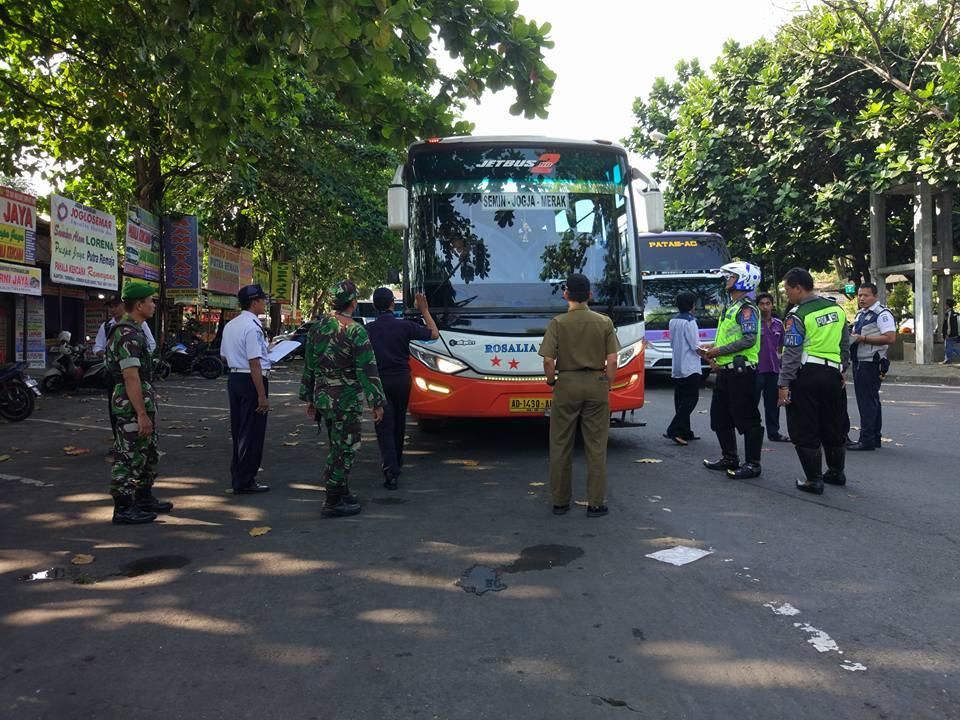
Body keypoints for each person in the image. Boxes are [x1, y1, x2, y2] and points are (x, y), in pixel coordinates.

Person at [299, 280, 386, 517]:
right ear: (353, 303)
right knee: (346, 448)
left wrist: (309, 398)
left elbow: (310, 365)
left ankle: (342, 490)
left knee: (337, 444)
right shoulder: (355, 330)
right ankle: (333, 498)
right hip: (345, 400)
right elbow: (367, 369)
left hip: (324, 398)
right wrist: (376, 402)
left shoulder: (316, 328)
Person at [539, 273, 619, 518]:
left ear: (566, 295)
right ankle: (596, 503)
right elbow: (613, 359)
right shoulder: (604, 322)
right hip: (596, 383)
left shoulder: (557, 323)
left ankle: (561, 502)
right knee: (596, 446)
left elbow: (549, 360)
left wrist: (552, 380)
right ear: (590, 296)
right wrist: (608, 382)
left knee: (561, 444)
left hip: (567, 384)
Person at [777, 267, 851, 494]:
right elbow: (844, 345)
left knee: (804, 425)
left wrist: (783, 384)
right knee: (833, 423)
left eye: (788, 289)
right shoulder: (836, 309)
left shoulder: (797, 314)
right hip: (832, 375)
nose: (787, 294)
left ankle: (814, 479)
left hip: (807, 375)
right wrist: (842, 370)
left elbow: (791, 353)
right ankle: (836, 472)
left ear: (799, 288)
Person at [103, 281, 172, 524]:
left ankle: (143, 497)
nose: (154, 305)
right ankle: (122, 508)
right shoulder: (127, 333)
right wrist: (141, 413)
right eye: (151, 301)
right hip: (131, 404)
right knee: (129, 454)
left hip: (140, 399)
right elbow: (130, 375)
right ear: (140, 305)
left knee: (148, 452)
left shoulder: (137, 330)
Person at [365, 287, 439, 490]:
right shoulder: (404, 326)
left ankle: (391, 470)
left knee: (383, 424)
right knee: (398, 420)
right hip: (402, 380)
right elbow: (434, 334)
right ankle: (397, 460)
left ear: (374, 306)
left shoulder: (368, 330)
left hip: (379, 381)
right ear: (392, 304)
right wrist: (424, 310)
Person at [701, 261, 765, 480]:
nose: (726, 281)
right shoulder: (731, 307)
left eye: (729, 277)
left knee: (748, 419)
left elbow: (748, 340)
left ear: (742, 280)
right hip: (725, 371)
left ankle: (753, 465)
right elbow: (730, 337)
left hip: (742, 373)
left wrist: (718, 350)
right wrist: (712, 348)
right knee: (720, 418)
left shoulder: (747, 309)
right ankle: (730, 458)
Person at [221, 284, 272, 494]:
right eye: (262, 300)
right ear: (254, 302)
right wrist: (261, 395)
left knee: (239, 429)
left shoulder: (231, 325)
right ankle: (246, 479)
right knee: (252, 432)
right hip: (251, 380)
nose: (265, 303)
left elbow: (224, 355)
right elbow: (254, 363)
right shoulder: (252, 327)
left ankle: (239, 475)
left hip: (234, 378)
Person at [847, 283, 896, 451]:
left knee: (867, 402)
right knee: (872, 400)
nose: (861, 298)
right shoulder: (861, 314)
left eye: (865, 295)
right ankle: (874, 437)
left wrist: (863, 339)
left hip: (871, 362)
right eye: (860, 295)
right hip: (860, 360)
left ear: (875, 296)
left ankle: (866, 439)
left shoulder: (882, 314)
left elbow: (890, 338)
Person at [664, 291, 701, 445]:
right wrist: (708, 353)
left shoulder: (673, 321)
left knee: (680, 399)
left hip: (677, 365)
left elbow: (673, 343)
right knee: (691, 399)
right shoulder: (690, 322)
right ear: (692, 305)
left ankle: (686, 431)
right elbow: (695, 345)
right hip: (690, 366)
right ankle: (674, 429)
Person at [755, 292, 789, 442]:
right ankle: (754, 432)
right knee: (752, 402)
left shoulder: (778, 324)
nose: (765, 307)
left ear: (772, 305)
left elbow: (782, 345)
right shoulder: (753, 324)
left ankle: (774, 432)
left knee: (772, 404)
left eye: (767, 303)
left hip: (774, 369)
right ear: (757, 306)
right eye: (761, 304)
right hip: (757, 369)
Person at [941, 298, 960, 365]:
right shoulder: (954, 313)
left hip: (950, 334)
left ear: (947, 305)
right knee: (949, 347)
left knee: (950, 348)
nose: (944, 306)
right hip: (955, 334)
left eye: (945, 304)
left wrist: (946, 334)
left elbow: (948, 325)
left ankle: (947, 360)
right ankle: (947, 360)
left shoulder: (949, 314)